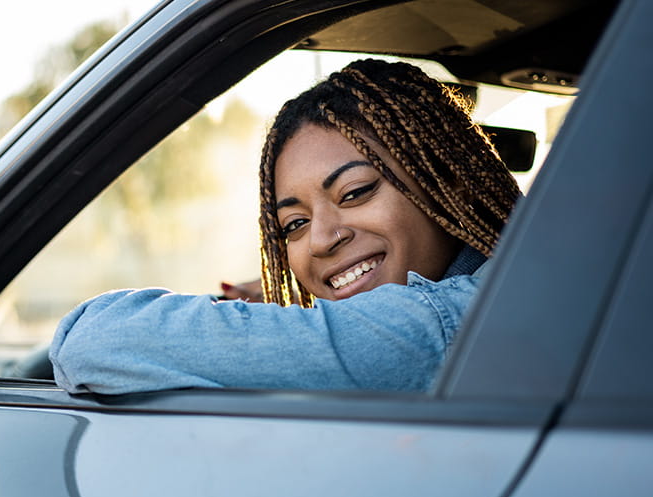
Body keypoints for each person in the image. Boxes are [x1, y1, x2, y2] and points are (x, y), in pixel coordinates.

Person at [49, 59, 521, 395]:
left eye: (354, 193)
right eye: (293, 225)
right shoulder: (525, 290)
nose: (320, 239)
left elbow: (93, 340)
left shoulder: (453, 324)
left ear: (448, 182)